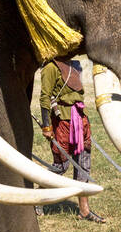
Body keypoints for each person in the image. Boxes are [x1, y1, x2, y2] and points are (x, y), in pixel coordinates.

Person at [39, 54, 104, 223]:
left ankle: (84, 210)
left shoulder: (75, 64)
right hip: (62, 122)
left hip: (80, 119)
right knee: (61, 165)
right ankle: (38, 198)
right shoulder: (51, 67)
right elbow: (45, 97)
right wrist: (47, 126)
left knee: (83, 163)